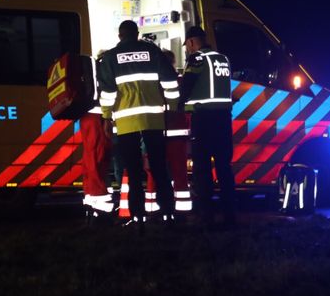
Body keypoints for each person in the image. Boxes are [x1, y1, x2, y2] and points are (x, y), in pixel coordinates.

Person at [98, 20, 179, 233]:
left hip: (127, 123)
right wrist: (172, 108)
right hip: (153, 120)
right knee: (159, 168)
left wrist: (106, 117)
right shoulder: (152, 51)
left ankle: (138, 218)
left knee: (133, 172)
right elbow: (170, 82)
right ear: (136, 33)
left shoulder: (110, 58)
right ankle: (168, 214)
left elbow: (107, 93)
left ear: (120, 36)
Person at [179, 26, 235, 228]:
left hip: (203, 120)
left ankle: (207, 217)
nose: (188, 49)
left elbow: (187, 86)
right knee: (224, 168)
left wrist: (178, 105)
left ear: (192, 42)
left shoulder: (197, 59)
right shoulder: (223, 59)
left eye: (187, 46)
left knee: (202, 169)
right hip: (224, 119)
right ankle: (230, 216)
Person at [80, 53, 114, 225]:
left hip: (89, 117)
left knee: (92, 159)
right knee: (97, 158)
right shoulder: (105, 70)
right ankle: (101, 208)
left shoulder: (93, 70)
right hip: (98, 117)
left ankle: (93, 204)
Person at [161, 49, 193, 214]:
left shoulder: (155, 83)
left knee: (158, 173)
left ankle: (159, 210)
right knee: (180, 172)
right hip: (179, 134)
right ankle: (182, 210)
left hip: (159, 133)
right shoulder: (181, 82)